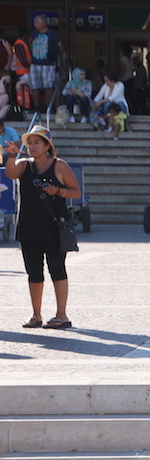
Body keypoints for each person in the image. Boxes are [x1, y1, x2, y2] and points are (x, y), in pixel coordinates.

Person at [2, 125, 81, 330]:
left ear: (47, 145)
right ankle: (36, 315)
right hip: (28, 225)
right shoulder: (24, 165)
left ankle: (61, 315)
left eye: (37, 142)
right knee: (33, 272)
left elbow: (76, 192)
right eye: (30, 143)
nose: (32, 146)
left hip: (54, 225)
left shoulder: (59, 165)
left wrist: (58, 190)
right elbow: (11, 174)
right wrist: (10, 156)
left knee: (57, 268)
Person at [30, 15, 62, 113]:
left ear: (42, 23)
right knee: (34, 85)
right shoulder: (34, 33)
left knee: (48, 85)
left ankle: (50, 107)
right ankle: (36, 107)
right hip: (35, 63)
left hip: (48, 63)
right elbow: (30, 42)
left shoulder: (51, 33)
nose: (34, 24)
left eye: (36, 22)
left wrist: (54, 55)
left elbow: (59, 46)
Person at [118, 43, 136, 113]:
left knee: (125, 96)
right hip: (131, 78)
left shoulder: (122, 59)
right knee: (131, 95)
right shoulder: (130, 59)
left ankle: (127, 110)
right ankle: (134, 109)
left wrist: (118, 77)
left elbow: (123, 70)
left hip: (126, 79)